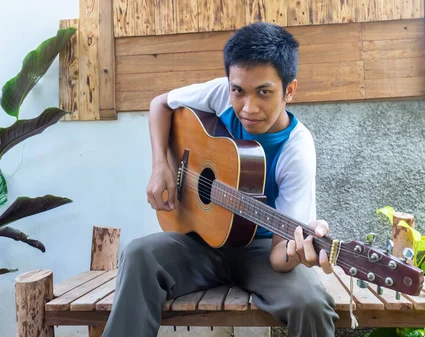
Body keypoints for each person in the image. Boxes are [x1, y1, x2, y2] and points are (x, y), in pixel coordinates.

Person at [102, 21, 339, 337]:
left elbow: (280, 257)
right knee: (139, 254)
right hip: (202, 245)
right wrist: (161, 166)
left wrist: (298, 252)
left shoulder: (297, 149)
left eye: (264, 92)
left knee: (311, 304)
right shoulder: (222, 94)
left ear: (289, 91)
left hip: (262, 252)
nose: (248, 107)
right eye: (238, 90)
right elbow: (161, 104)